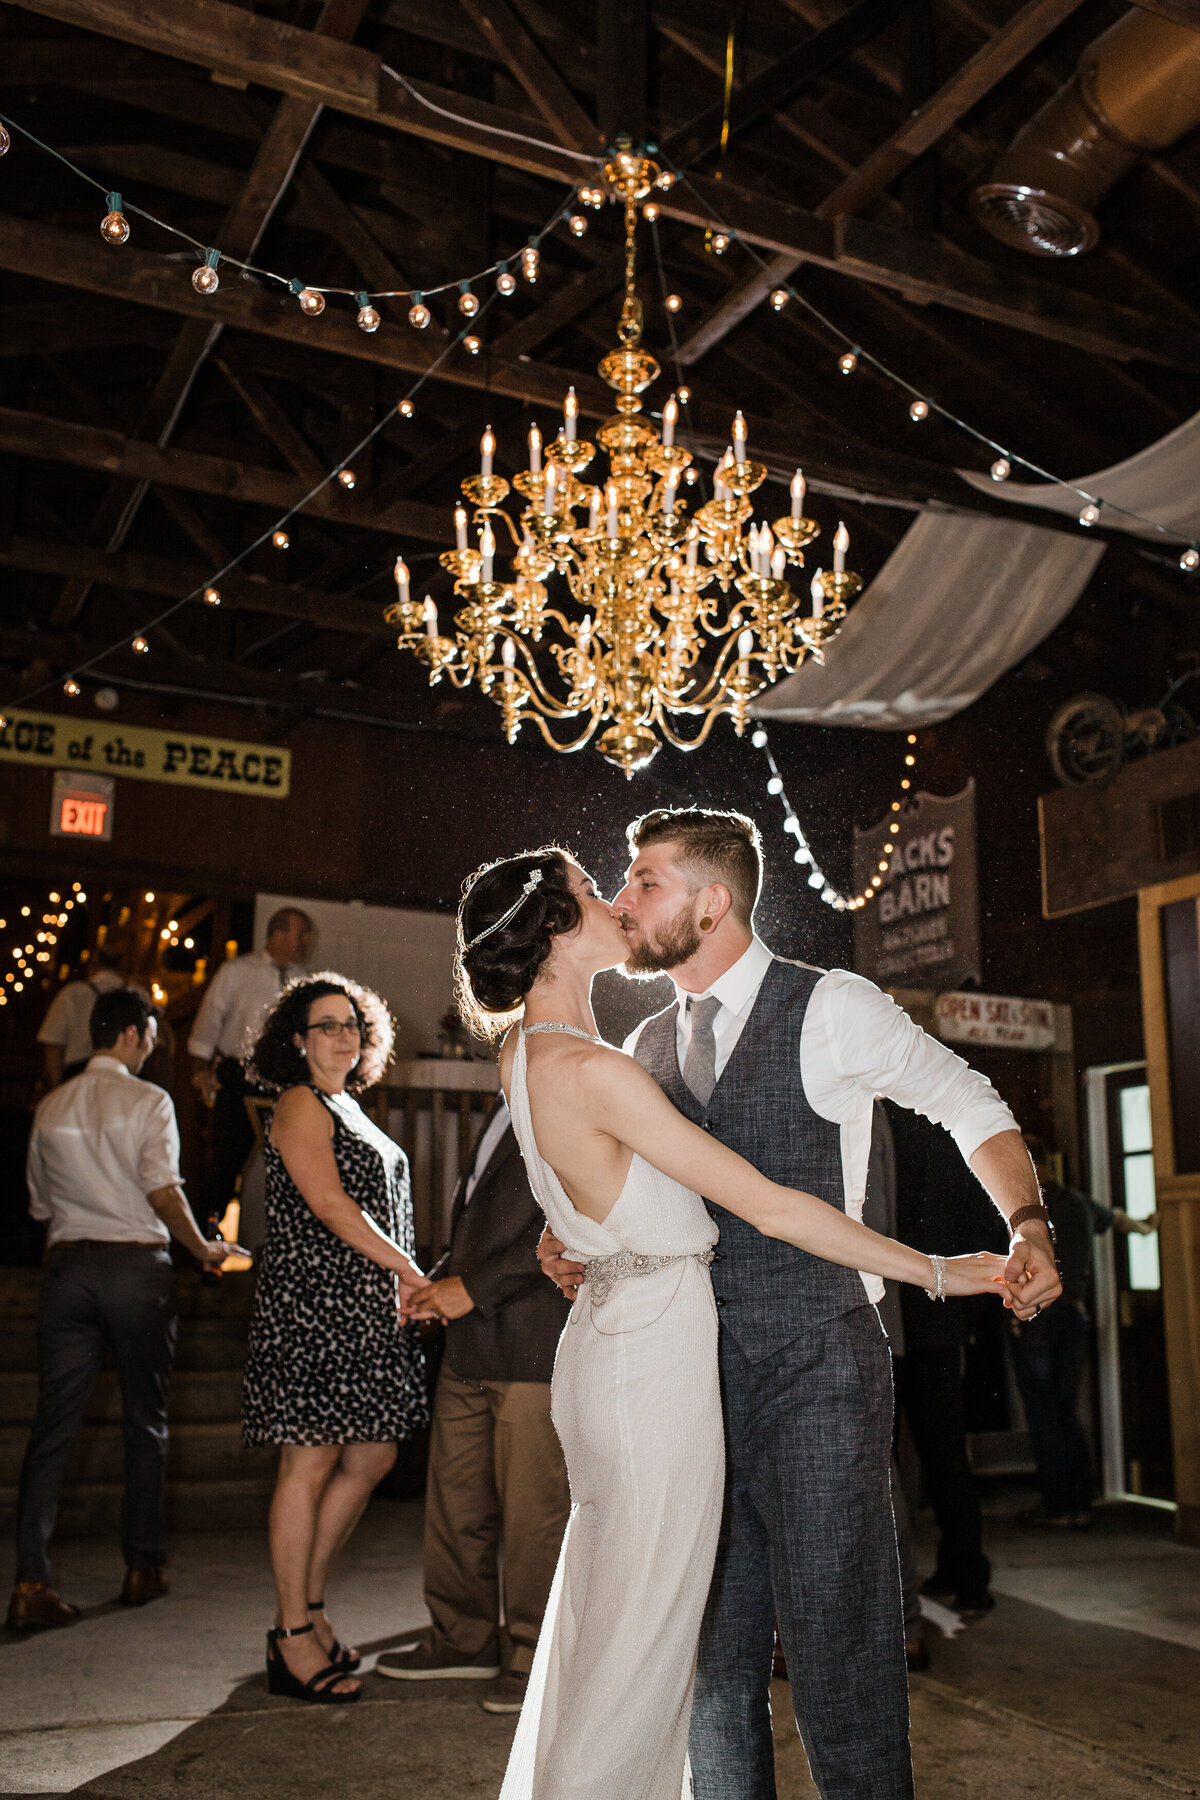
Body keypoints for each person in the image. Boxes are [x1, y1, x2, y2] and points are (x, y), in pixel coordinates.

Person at [455, 846, 1016, 1800]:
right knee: (672, 1658)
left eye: (638, 882)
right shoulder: (614, 1060)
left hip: (709, 1360)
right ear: (552, 932)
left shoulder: (536, 1054)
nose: (619, 903)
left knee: (707, 1640)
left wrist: (583, 1241)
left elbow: (586, 1196)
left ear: (714, 900)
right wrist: (934, 1269)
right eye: (600, 891)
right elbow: (764, 1203)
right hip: (658, 1377)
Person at [8, 989, 238, 1631]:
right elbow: (161, 1187)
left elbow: (40, 1205)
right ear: (135, 1034)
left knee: (52, 1427)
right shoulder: (149, 1100)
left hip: (70, 1269)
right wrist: (202, 1248)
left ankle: (30, 1581)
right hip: (137, 1272)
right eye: (155, 1035)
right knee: (146, 1421)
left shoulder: (51, 1106)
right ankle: (142, 1566)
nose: (155, 1047)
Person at [240, 974, 428, 1705]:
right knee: (310, 1464)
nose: (341, 1036)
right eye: (325, 1025)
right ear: (297, 1039)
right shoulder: (300, 1102)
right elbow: (327, 1201)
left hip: (366, 1310)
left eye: (351, 1023)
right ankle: (291, 1634)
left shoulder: (352, 1105)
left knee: (374, 1453)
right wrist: (408, 1268)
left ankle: (309, 1608)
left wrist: (398, 1285)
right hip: (314, 1309)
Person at [376, 1099, 571, 1714]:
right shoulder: (501, 1107)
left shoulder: (564, 1094)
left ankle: (532, 1657)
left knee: (533, 1513)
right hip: (468, 1345)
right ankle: (461, 1637)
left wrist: (469, 1289)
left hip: (534, 1341)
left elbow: (571, 1221)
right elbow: (477, 1227)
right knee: (455, 1501)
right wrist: (439, 1282)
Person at [882, 1099, 1001, 1618]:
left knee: (881, 1459)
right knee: (946, 1455)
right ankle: (967, 1574)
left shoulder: (869, 1127)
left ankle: (896, 1594)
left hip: (888, 1311)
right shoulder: (943, 1133)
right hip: (941, 1315)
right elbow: (981, 1223)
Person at [1012, 1133, 1156, 1529]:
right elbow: (1120, 1221)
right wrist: (1147, 1227)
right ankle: (1079, 1503)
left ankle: (1058, 1506)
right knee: (1065, 1410)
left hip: (1039, 1315)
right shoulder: (1078, 1203)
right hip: (1075, 1315)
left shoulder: (1026, 1212)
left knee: (1043, 1414)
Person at [188, 907, 312, 1230]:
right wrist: (201, 1070)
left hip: (286, 1082)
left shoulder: (303, 979)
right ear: (278, 934)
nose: (305, 941)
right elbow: (207, 1024)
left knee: (290, 1168)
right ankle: (207, 1248)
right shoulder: (236, 971)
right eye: (301, 933)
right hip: (239, 1077)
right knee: (227, 1164)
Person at [37, 947, 126, 1088]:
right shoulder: (135, 992)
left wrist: (57, 1085)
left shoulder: (72, 993)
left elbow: (52, 1043)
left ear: (92, 967)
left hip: (76, 1075)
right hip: (124, 1077)